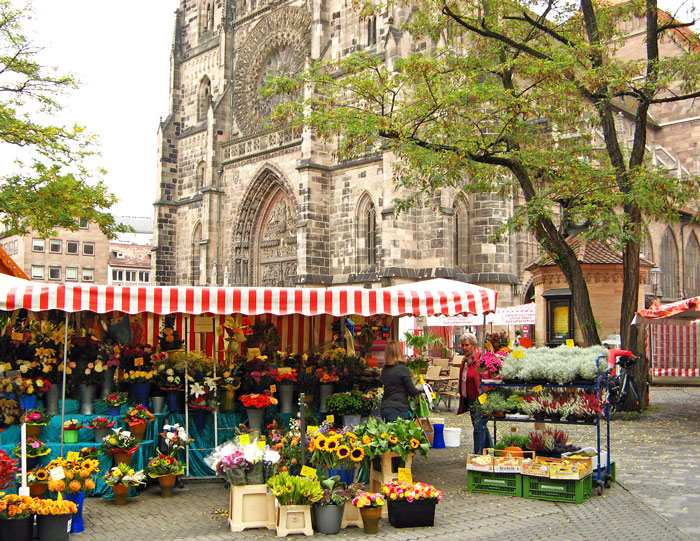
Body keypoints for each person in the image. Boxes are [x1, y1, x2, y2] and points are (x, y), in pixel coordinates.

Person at [456, 332, 493, 453]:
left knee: (478, 427)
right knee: (480, 425)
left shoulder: (481, 359)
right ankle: (490, 450)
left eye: (467, 345)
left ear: (473, 345)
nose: (464, 348)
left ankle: (477, 453)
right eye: (462, 345)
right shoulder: (465, 360)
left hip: (480, 398)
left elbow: (487, 377)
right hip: (470, 398)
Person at [380, 340, 422, 422]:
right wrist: (418, 387)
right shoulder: (403, 369)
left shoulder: (384, 370)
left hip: (385, 408)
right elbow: (412, 392)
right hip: (399, 409)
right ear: (399, 352)